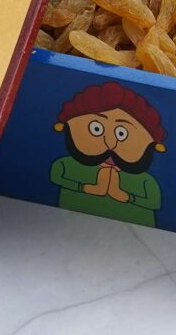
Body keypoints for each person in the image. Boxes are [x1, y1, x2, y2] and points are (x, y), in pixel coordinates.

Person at [49, 82, 166, 228]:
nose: (110, 143)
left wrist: (126, 196)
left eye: (121, 133)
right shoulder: (67, 164)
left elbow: (153, 202)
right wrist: (85, 188)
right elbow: (56, 176)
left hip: (135, 233)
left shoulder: (145, 181)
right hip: (67, 223)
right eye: (96, 128)